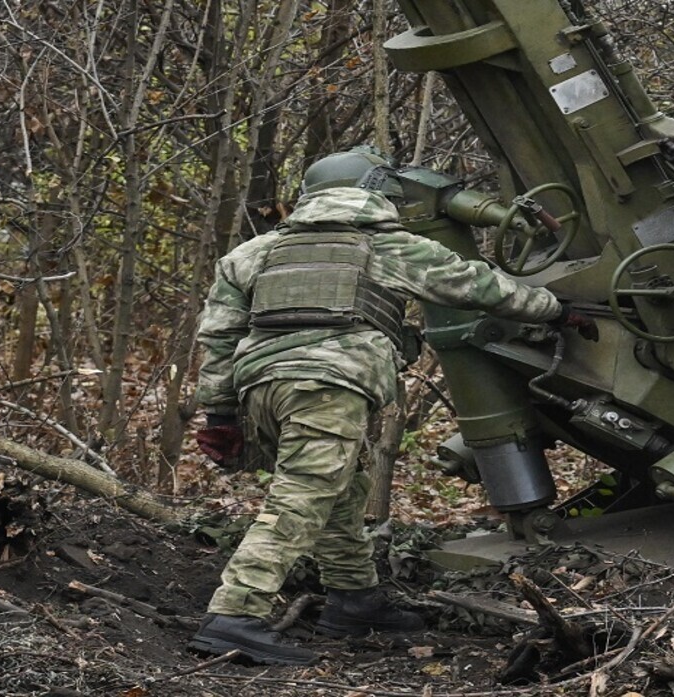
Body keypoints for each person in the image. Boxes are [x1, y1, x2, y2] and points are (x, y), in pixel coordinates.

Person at [187, 147, 599, 665]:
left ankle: (354, 599)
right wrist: (556, 309)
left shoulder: (252, 253)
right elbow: (478, 286)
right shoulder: (390, 246)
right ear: (376, 192)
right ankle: (234, 613)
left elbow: (219, 339)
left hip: (262, 390)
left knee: (341, 488)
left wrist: (221, 414)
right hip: (328, 385)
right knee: (304, 494)